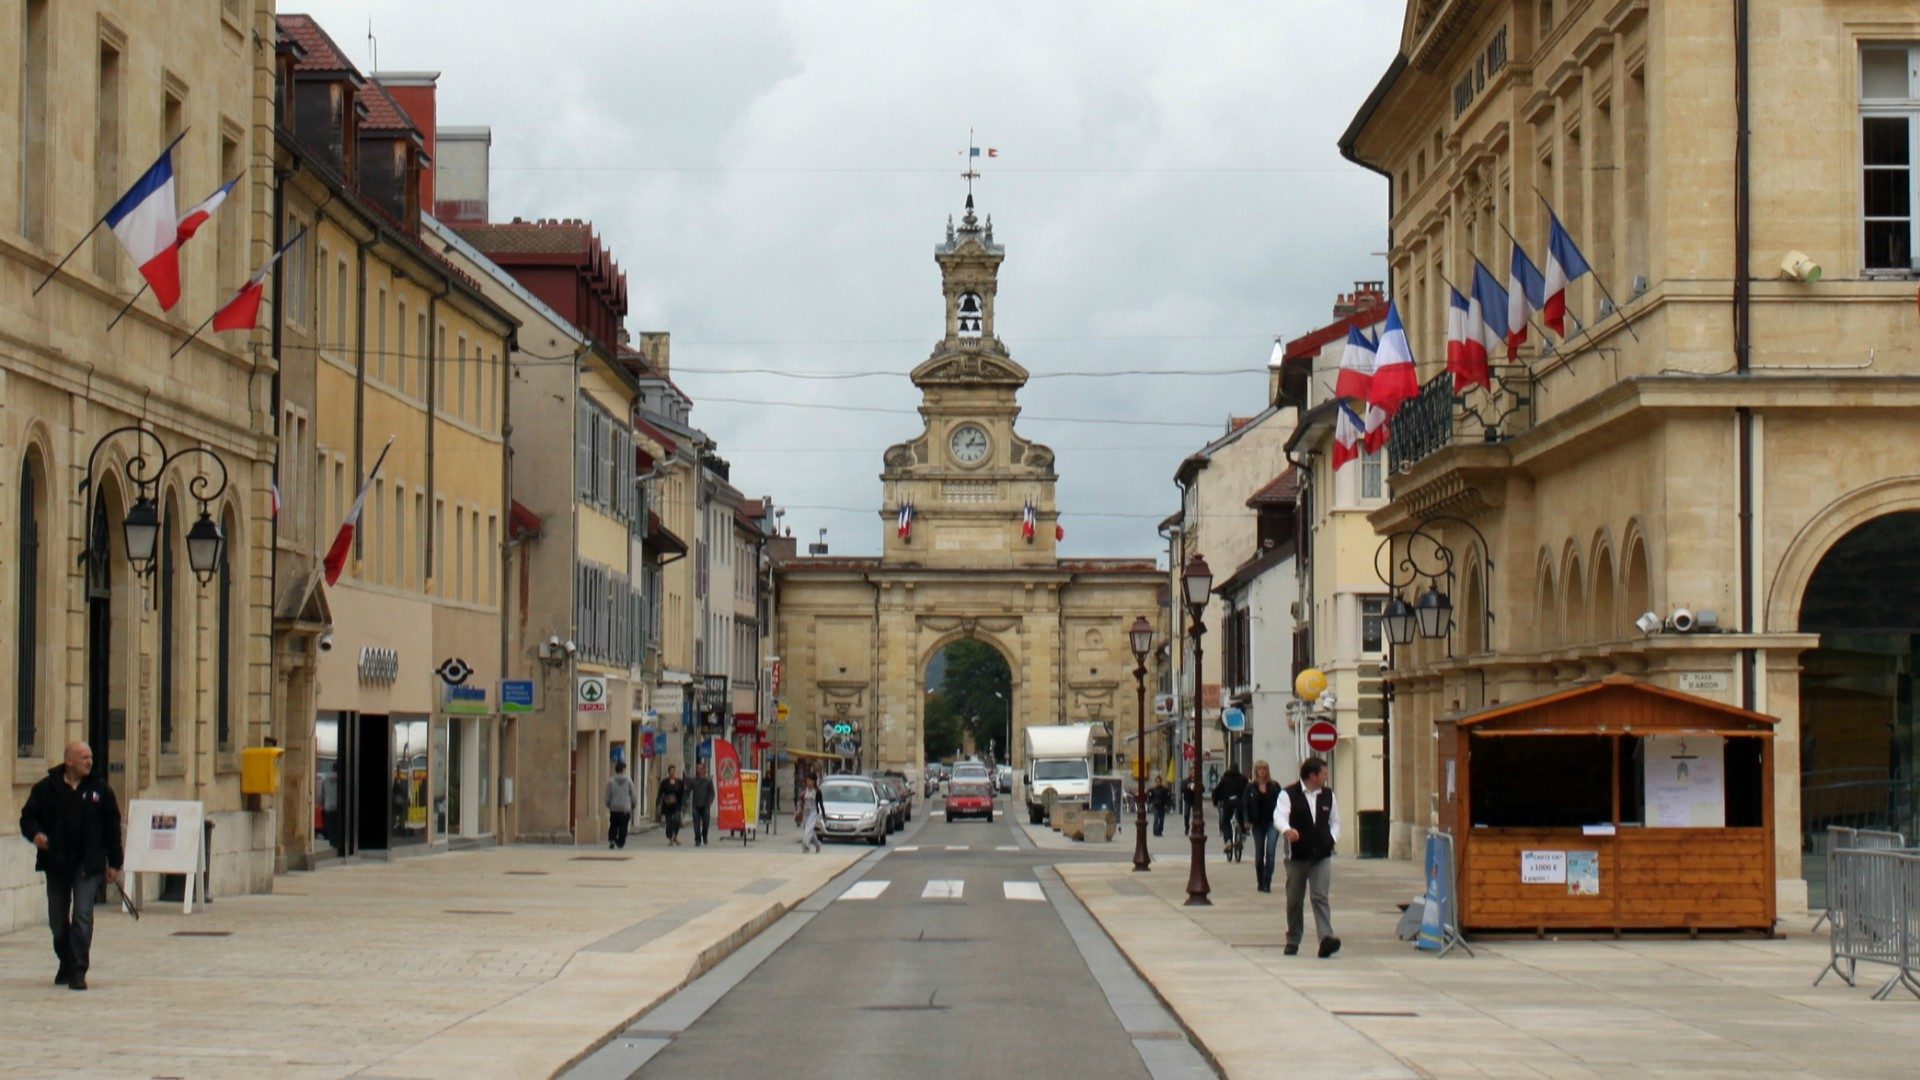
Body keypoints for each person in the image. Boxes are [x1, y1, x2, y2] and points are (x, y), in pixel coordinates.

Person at [18, 741, 123, 991]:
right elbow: (27, 817)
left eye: (90, 757)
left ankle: (78, 970)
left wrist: (115, 862)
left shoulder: (101, 790)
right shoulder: (47, 788)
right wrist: (37, 835)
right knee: (57, 921)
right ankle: (66, 961)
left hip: (88, 865)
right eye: (84, 757)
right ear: (69, 761)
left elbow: (112, 827)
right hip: (56, 862)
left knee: (82, 916)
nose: (89, 761)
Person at [1276, 756, 1340, 957]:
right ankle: (1293, 938)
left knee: (1320, 895)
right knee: (1294, 898)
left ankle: (1326, 939)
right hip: (1297, 855)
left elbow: (1335, 821)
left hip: (1321, 854)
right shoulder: (1288, 794)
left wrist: (1332, 838)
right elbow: (1279, 816)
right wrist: (1287, 830)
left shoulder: (1328, 795)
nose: (1326, 776)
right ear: (1312, 775)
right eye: (1323, 773)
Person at [1244, 760, 1284, 893]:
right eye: (1260, 769)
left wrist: (1283, 820)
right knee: (1259, 853)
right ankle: (1260, 880)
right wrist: (1246, 820)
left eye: (1265, 769)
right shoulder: (1250, 787)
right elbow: (1245, 805)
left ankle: (1267, 881)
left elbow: (1282, 803)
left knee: (1271, 852)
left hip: (1273, 822)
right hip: (1257, 823)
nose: (1262, 772)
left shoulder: (1275, 786)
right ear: (1256, 771)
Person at [1211, 762, 1247, 855]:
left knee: (1226, 822)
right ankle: (1242, 833)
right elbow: (1248, 790)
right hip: (1240, 802)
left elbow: (1216, 791)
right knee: (1241, 818)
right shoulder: (1243, 779)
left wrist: (1215, 802)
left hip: (1228, 803)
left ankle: (1228, 841)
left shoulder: (1225, 779)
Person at [604, 760, 637, 850]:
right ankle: (620, 842)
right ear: (623, 769)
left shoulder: (610, 781)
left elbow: (607, 795)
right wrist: (633, 804)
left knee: (613, 824)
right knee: (623, 826)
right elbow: (633, 794)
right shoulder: (628, 781)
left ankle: (612, 839)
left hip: (614, 807)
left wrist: (608, 804)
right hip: (625, 808)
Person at [794, 773, 824, 853]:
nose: (808, 782)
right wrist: (798, 809)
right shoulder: (804, 791)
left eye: (810, 780)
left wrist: (823, 815)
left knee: (808, 831)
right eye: (807, 780)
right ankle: (817, 844)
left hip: (813, 812)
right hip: (805, 813)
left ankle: (805, 846)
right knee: (809, 830)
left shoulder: (817, 792)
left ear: (814, 781)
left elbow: (821, 804)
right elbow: (800, 801)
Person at [657, 766, 687, 846]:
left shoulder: (679, 782)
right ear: (668, 772)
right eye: (671, 771)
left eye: (674, 771)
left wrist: (683, 803)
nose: (672, 773)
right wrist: (658, 803)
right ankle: (670, 838)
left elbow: (683, 793)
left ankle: (675, 836)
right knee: (669, 822)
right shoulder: (664, 782)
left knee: (677, 820)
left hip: (677, 805)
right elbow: (660, 793)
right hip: (667, 806)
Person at [688, 763, 715, 847]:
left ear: (704, 770)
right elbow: (687, 791)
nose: (699, 770)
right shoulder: (693, 780)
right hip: (696, 806)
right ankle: (697, 839)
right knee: (696, 824)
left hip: (705, 805)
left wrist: (710, 801)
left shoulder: (708, 781)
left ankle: (704, 835)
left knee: (706, 823)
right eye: (698, 768)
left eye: (700, 768)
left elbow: (712, 793)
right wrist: (685, 800)